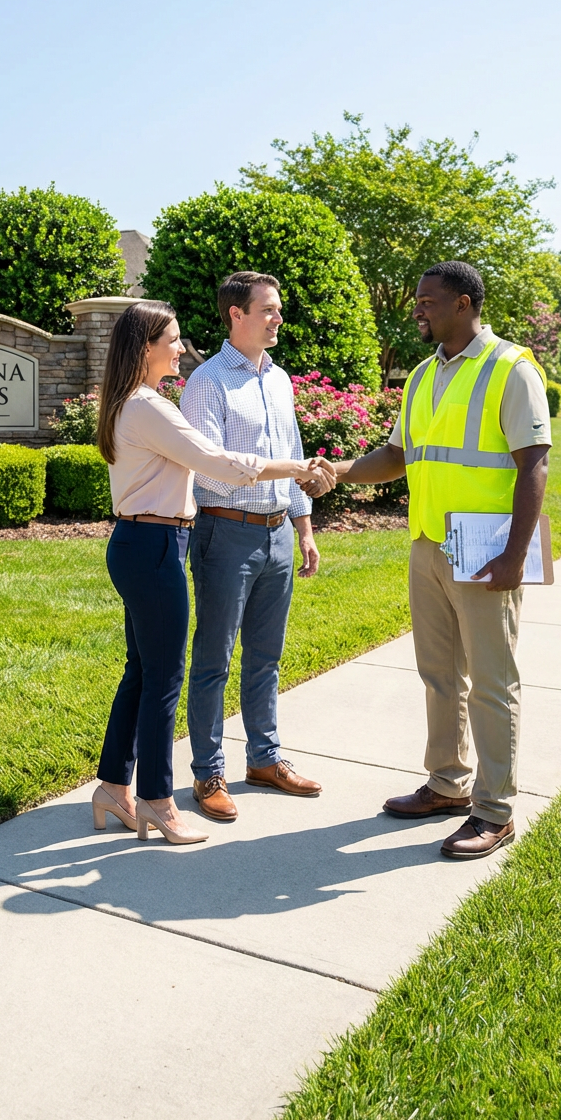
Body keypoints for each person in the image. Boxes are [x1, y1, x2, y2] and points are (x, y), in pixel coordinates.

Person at [324, 261, 552, 859]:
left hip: (484, 550)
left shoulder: (512, 368)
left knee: (492, 683)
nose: (418, 309)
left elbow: (535, 465)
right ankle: (448, 785)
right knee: (439, 676)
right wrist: (340, 471)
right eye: (418, 301)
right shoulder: (424, 374)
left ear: (465, 303)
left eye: (429, 300)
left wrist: (515, 552)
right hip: (428, 542)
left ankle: (495, 810)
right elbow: (398, 454)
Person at [92, 299, 333, 846]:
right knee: (163, 679)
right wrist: (296, 468)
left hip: (145, 540)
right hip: (154, 544)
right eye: (172, 339)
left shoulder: (137, 402)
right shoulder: (149, 408)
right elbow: (220, 463)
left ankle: (112, 785)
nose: (181, 348)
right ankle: (156, 799)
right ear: (145, 347)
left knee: (141, 671)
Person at [180, 272, 335, 822]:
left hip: (275, 534)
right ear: (236, 315)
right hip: (226, 533)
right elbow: (212, 473)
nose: (277, 319)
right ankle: (207, 772)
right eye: (267, 310)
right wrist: (288, 471)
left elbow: (292, 452)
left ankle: (264, 760)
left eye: (278, 310)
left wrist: (305, 527)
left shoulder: (280, 380)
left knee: (266, 658)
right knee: (214, 659)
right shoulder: (207, 382)